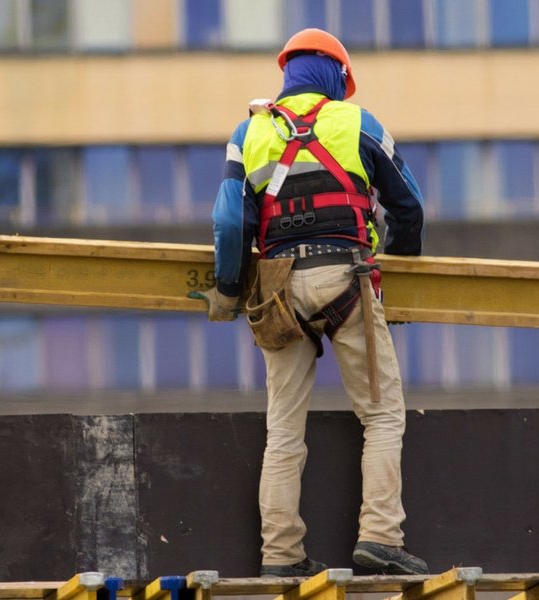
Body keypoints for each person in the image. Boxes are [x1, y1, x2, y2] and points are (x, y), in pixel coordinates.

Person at [190, 28, 427, 577]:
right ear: (336, 77)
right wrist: (402, 261)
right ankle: (380, 540)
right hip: (347, 277)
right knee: (383, 416)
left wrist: (228, 289)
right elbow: (408, 204)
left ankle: (280, 556)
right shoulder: (358, 122)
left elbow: (229, 221)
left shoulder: (248, 132)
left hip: (276, 288)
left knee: (283, 429)